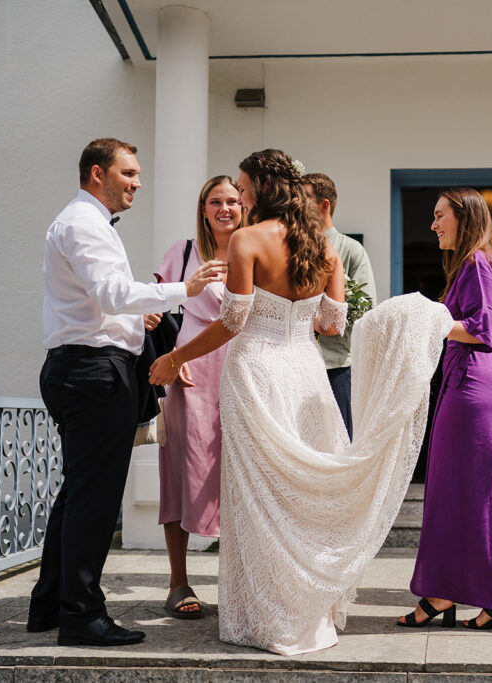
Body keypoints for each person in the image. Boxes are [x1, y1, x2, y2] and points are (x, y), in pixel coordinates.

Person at [148, 149, 453, 655]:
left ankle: (267, 613)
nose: (240, 196)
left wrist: (174, 356)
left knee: (258, 495)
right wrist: (293, 315)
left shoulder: (247, 240)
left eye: (243, 188)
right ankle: (304, 608)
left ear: (263, 188)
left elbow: (232, 322)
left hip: (256, 373)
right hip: (306, 373)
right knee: (299, 496)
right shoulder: (323, 246)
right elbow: (332, 324)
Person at [31, 137, 226, 646]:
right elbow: (113, 294)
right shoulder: (84, 224)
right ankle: (81, 616)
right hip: (93, 373)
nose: (138, 183)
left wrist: (139, 319)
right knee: (94, 501)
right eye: (129, 173)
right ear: (98, 173)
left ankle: (50, 604)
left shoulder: (85, 222)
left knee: (78, 494)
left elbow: (101, 304)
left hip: (85, 368)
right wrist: (184, 289)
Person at [400, 188, 492, 634]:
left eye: (440, 216)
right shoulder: (475, 263)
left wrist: (423, 320)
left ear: (464, 217)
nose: (433, 225)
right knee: (454, 492)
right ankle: (448, 592)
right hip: (467, 381)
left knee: (478, 493)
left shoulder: (476, 263)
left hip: (473, 384)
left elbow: (480, 330)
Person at [155, 175, 244, 619]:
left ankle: (241, 583)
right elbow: (151, 307)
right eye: (215, 201)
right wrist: (167, 353)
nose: (224, 208)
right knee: (180, 471)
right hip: (190, 372)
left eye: (232, 200)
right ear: (203, 209)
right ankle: (178, 582)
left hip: (241, 370)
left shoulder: (253, 251)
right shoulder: (184, 251)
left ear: (244, 206)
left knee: (242, 472)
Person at [301, 173, 377, 439]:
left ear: (324, 205)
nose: (296, 204)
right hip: (297, 365)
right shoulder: (290, 250)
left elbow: (365, 308)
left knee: (339, 443)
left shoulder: (352, 250)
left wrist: (318, 318)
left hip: (336, 367)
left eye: (304, 198)